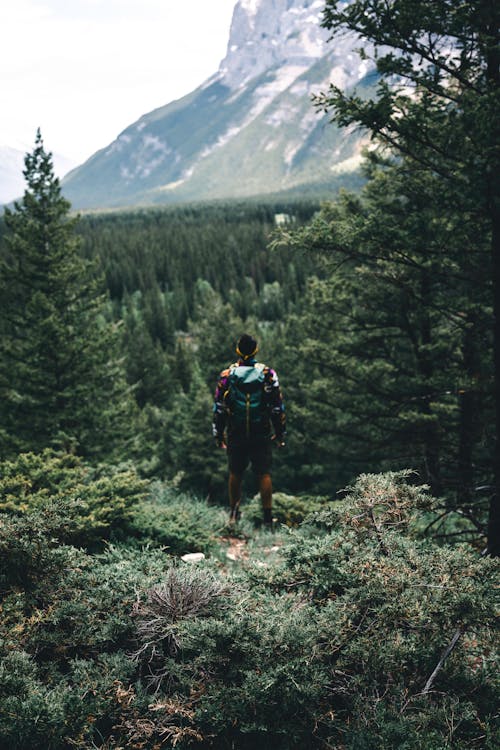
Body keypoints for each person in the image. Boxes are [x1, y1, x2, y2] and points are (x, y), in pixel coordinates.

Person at [212, 333, 286, 527]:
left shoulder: (227, 376)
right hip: (260, 431)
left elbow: (219, 408)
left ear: (238, 350)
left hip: (235, 431)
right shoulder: (268, 374)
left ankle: (234, 515)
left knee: (235, 472)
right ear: (256, 351)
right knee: (264, 473)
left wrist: (218, 434)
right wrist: (280, 433)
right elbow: (277, 407)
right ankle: (268, 518)